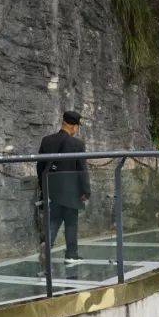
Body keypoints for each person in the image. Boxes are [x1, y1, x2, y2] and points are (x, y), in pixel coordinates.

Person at [37, 110, 90, 263]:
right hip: (71, 191)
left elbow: (40, 166)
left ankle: (47, 245)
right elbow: (82, 169)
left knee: (53, 219)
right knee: (71, 221)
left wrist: (43, 186)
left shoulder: (46, 140)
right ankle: (71, 254)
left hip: (51, 189)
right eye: (77, 127)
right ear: (73, 126)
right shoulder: (77, 144)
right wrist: (86, 190)